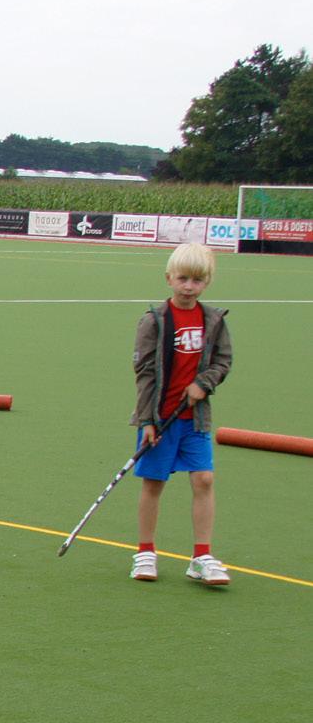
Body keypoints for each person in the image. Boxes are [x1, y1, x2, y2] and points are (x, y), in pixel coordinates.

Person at [129, 243, 233, 586]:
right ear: (169, 278)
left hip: (195, 418)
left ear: (207, 282)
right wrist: (146, 420)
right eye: (183, 279)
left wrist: (204, 383)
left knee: (204, 480)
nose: (189, 286)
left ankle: (201, 557)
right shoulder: (154, 321)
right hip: (160, 419)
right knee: (154, 482)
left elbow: (223, 361)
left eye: (197, 280)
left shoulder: (213, 321)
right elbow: (144, 373)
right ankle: (145, 552)